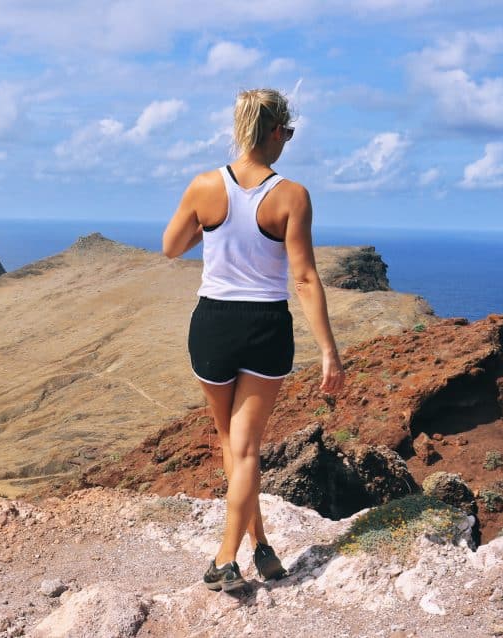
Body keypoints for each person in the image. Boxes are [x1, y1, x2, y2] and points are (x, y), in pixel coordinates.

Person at [162, 88, 345, 592]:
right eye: (287, 132)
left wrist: (211, 228)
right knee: (242, 449)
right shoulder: (292, 195)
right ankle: (229, 556)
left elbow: (171, 248)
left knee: (234, 447)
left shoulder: (204, 186)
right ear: (273, 132)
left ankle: (260, 545)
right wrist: (329, 350)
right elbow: (305, 279)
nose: (287, 140)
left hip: (213, 326)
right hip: (266, 328)